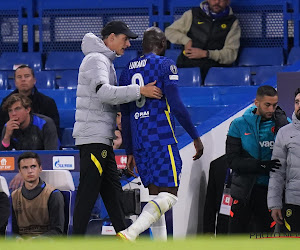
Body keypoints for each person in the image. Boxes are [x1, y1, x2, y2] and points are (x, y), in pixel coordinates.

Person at [72, 20, 163, 235]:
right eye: (125, 39)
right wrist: (140, 90)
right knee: (88, 193)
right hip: (94, 139)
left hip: (101, 139)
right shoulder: (97, 59)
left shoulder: (104, 60)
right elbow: (104, 92)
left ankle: (125, 235)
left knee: (113, 192)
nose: (128, 44)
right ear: (111, 38)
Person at [117, 27, 204, 241]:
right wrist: (195, 136)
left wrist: (129, 150)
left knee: (156, 200)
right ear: (163, 43)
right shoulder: (166, 64)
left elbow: (126, 115)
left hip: (139, 141)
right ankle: (132, 232)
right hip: (161, 137)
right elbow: (176, 105)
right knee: (170, 196)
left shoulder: (127, 70)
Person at [226, 85, 289, 234]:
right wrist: (260, 165)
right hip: (244, 190)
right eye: (267, 105)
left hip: (270, 192)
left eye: (275, 105)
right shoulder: (238, 125)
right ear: (257, 103)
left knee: (265, 238)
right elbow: (232, 160)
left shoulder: (283, 124)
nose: (271, 109)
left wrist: (283, 126)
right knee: (235, 238)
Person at [165, 0, 241, 81]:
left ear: (228, 1)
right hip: (187, 68)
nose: (217, 2)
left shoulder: (233, 22)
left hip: (216, 73)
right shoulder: (192, 14)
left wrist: (207, 54)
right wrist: (186, 40)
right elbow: (169, 31)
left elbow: (231, 55)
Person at [268, 88, 300, 233]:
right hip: (293, 203)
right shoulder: (284, 133)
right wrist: (274, 204)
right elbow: (277, 172)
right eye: (297, 102)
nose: (299, 106)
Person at [11, 152, 64, 238]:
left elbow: (58, 231)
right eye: (25, 168)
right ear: (20, 171)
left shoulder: (53, 195)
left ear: (40, 169)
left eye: (33, 166)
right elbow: (12, 231)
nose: (30, 171)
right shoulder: (14, 196)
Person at [0, 64, 60, 136]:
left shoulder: (48, 102)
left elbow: (54, 131)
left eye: (27, 76)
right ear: (15, 83)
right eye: (19, 77)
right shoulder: (6, 102)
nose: (23, 79)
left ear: (34, 80)